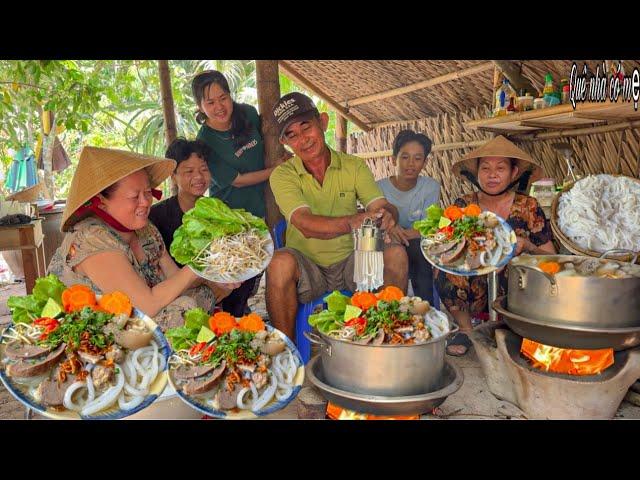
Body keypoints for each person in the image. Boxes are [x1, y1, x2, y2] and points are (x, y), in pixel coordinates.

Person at [267, 92, 409, 340]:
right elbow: (305, 224)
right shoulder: (282, 175)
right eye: (292, 135)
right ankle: (285, 351)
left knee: (395, 253)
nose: (303, 139)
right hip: (309, 271)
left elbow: (381, 204)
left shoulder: (354, 165)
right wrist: (352, 221)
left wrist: (388, 215)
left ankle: (388, 339)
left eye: (306, 127)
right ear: (285, 143)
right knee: (278, 262)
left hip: (352, 262)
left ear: (322, 122)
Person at [48, 146, 236, 330]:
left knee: (201, 293)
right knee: (184, 309)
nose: (145, 202)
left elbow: (175, 278)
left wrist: (215, 277)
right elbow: (146, 305)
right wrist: (198, 267)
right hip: (95, 330)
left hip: (139, 317)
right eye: (134, 196)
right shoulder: (91, 238)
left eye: (147, 193)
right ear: (102, 202)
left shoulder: (145, 230)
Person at [436, 135, 556, 356]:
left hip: (516, 286)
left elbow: (551, 256)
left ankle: (514, 328)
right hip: (474, 282)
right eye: (485, 168)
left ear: (514, 173)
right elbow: (444, 244)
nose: (492, 174)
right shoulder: (463, 205)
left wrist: (527, 245)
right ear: (476, 173)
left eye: (500, 168)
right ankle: (466, 329)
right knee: (442, 266)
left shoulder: (528, 206)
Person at [191, 70, 287, 314]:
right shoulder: (205, 141)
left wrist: (282, 160)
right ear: (200, 106)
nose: (219, 107)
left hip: (263, 209)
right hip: (233, 219)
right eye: (210, 102)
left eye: (223, 98)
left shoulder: (247, 114)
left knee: (256, 275)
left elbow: (270, 142)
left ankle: (241, 314)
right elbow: (237, 180)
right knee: (237, 279)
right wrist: (275, 170)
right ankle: (232, 318)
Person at [148, 138, 239, 312]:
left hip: (222, 290)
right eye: (189, 171)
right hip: (175, 297)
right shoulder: (156, 216)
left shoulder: (220, 211)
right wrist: (207, 285)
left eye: (204, 170)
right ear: (173, 176)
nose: (198, 177)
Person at [377, 130, 440, 303]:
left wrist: (397, 231)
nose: (410, 164)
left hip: (413, 244)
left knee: (420, 250)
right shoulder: (379, 188)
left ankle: (426, 310)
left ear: (425, 162)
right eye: (404, 157)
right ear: (393, 159)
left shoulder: (430, 187)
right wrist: (393, 231)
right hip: (386, 244)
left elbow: (428, 227)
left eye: (418, 158)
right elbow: (376, 225)